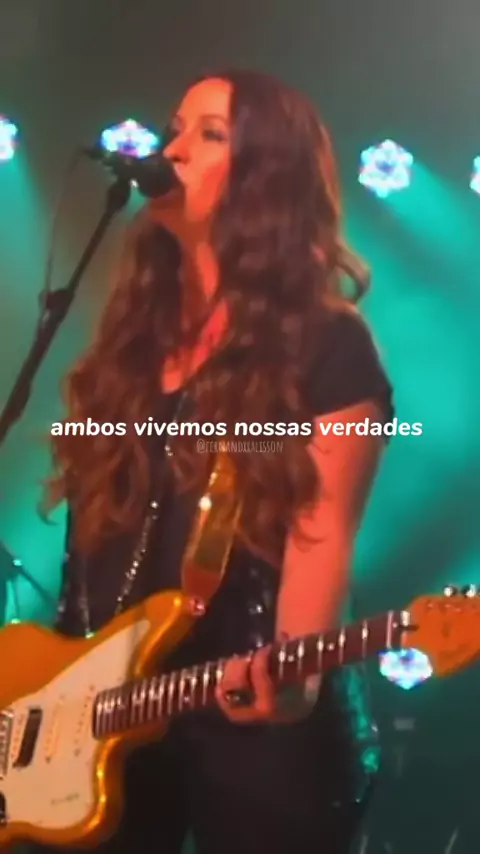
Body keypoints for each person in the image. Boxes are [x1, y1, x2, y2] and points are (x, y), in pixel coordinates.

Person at [37, 68, 394, 854]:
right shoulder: (137, 337)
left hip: (252, 713)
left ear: (267, 175)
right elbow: (91, 540)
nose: (172, 150)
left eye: (210, 134)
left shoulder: (327, 344)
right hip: (106, 712)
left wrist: (293, 681)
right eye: (175, 128)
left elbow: (322, 533)